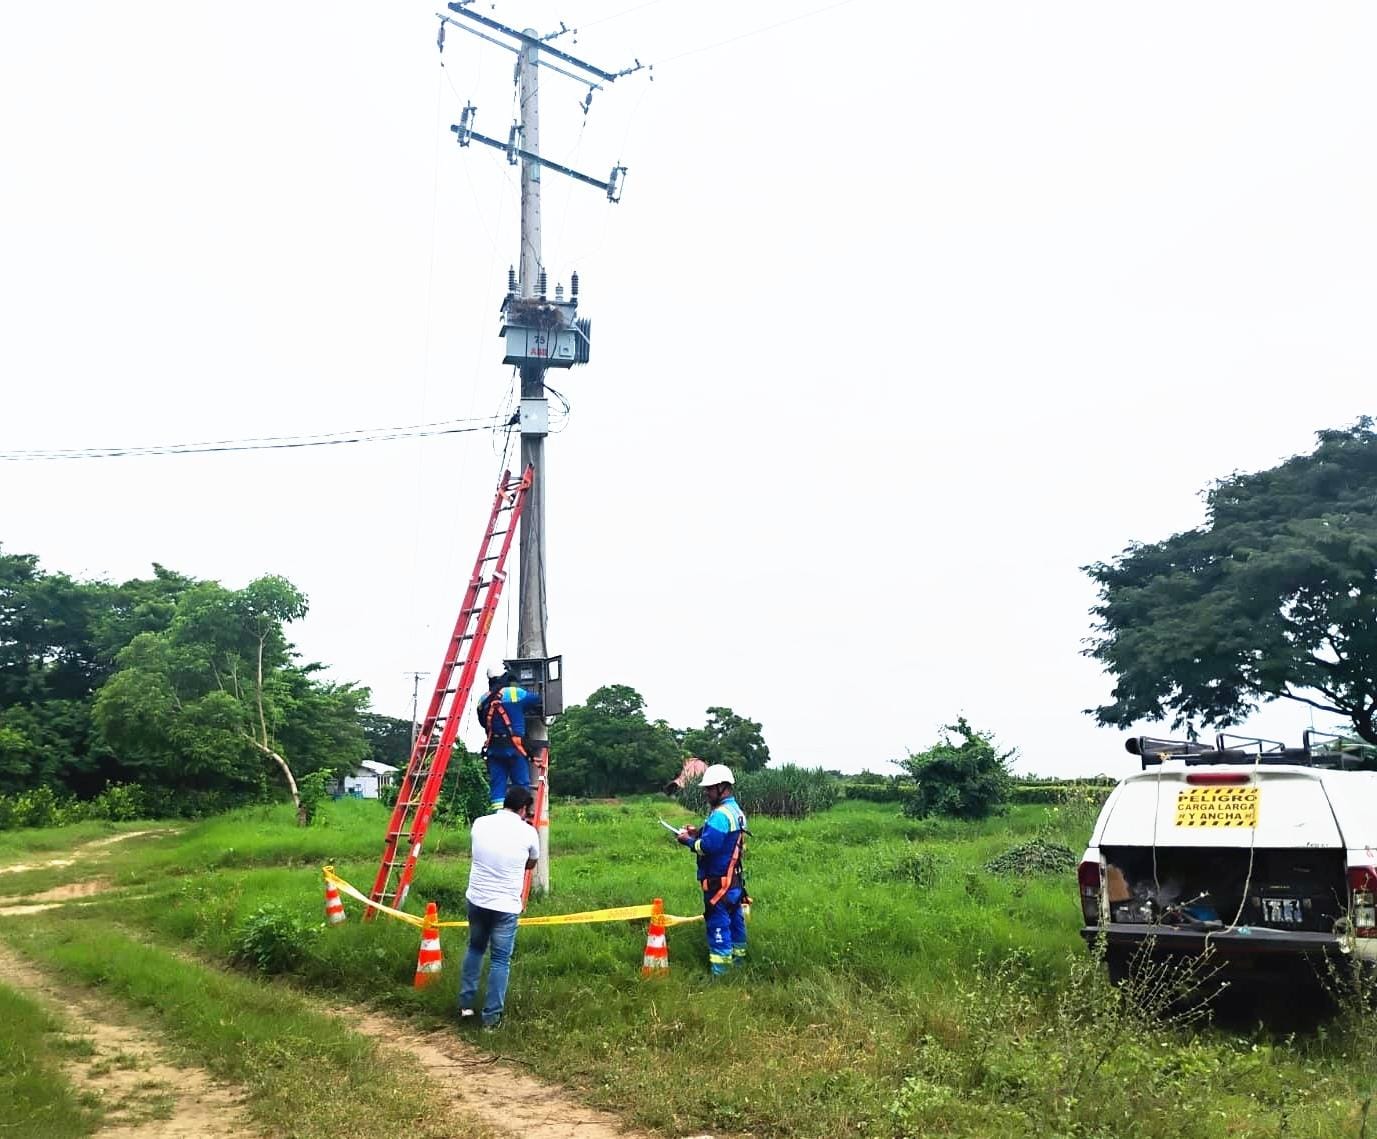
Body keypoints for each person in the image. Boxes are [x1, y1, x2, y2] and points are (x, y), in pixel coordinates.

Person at [459, 784, 538, 1030]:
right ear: (524, 808)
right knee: (500, 960)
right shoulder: (528, 833)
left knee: (475, 948)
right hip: (505, 906)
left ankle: (465, 1006)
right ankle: (491, 1020)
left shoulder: (480, 823)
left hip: (478, 899)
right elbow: (531, 863)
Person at [674, 763, 750, 975]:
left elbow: (709, 846)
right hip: (733, 882)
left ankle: (722, 972)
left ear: (722, 787)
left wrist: (688, 841)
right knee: (736, 922)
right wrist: (697, 832)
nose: (706, 792)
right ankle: (739, 964)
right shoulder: (736, 811)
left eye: (709, 788)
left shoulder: (719, 815)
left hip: (718, 883)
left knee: (718, 924)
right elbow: (723, 839)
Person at [476, 665, 543, 812]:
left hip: (494, 749)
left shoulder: (483, 699)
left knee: (498, 785)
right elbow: (537, 699)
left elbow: (482, 723)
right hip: (515, 749)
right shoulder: (515, 693)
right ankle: (520, 813)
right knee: (521, 783)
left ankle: (498, 815)